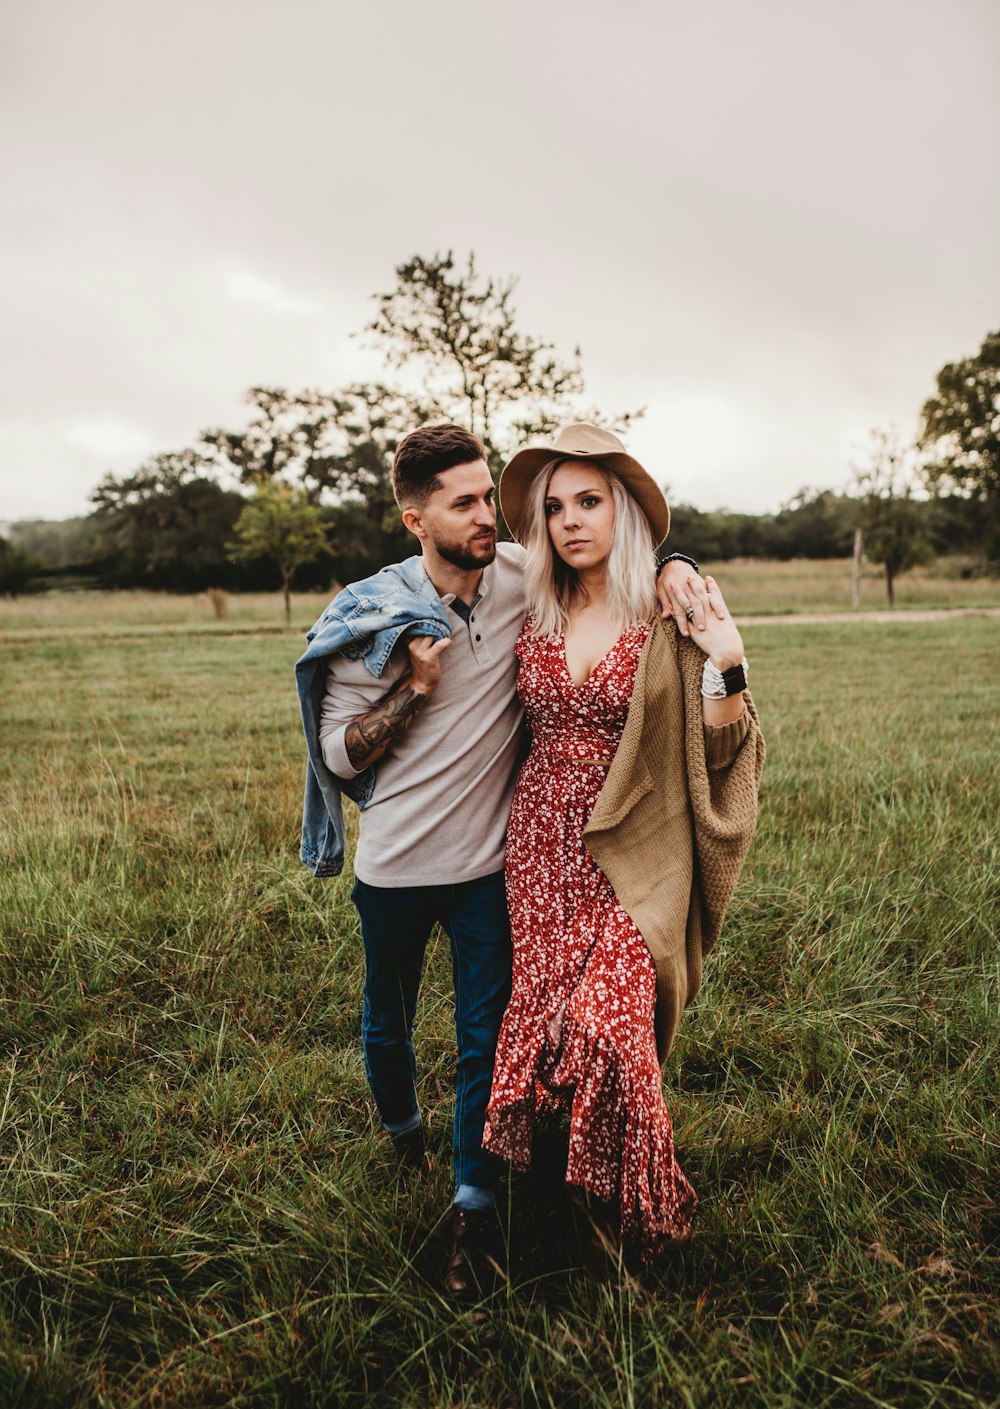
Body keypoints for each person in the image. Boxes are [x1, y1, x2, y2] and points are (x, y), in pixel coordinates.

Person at [295, 422, 712, 1297]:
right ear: (416, 520)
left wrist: (680, 566)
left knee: (491, 1037)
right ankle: (403, 1129)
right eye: (468, 503)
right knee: (390, 1026)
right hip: (405, 866)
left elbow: (623, 567)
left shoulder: (526, 578)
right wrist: (412, 687)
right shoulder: (371, 614)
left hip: (501, 861)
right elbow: (335, 757)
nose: (495, 517)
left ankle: (478, 1206)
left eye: (492, 497)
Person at [482, 422, 765, 1259]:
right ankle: (557, 1187)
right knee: (550, 1022)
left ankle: (626, 1206)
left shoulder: (666, 609)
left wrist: (729, 664)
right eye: (555, 507)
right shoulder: (530, 601)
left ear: (624, 511)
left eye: (590, 501)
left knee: (610, 1024)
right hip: (538, 846)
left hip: (633, 847)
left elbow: (720, 747)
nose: (571, 521)